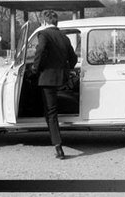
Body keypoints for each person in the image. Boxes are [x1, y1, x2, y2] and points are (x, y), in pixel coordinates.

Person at [32, 10, 78, 159]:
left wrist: (35, 69)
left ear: (44, 22)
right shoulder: (65, 38)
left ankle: (58, 146)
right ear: (56, 22)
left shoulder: (44, 35)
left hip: (47, 79)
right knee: (57, 110)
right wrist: (66, 69)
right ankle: (58, 145)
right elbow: (73, 59)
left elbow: (40, 52)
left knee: (51, 114)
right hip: (62, 78)